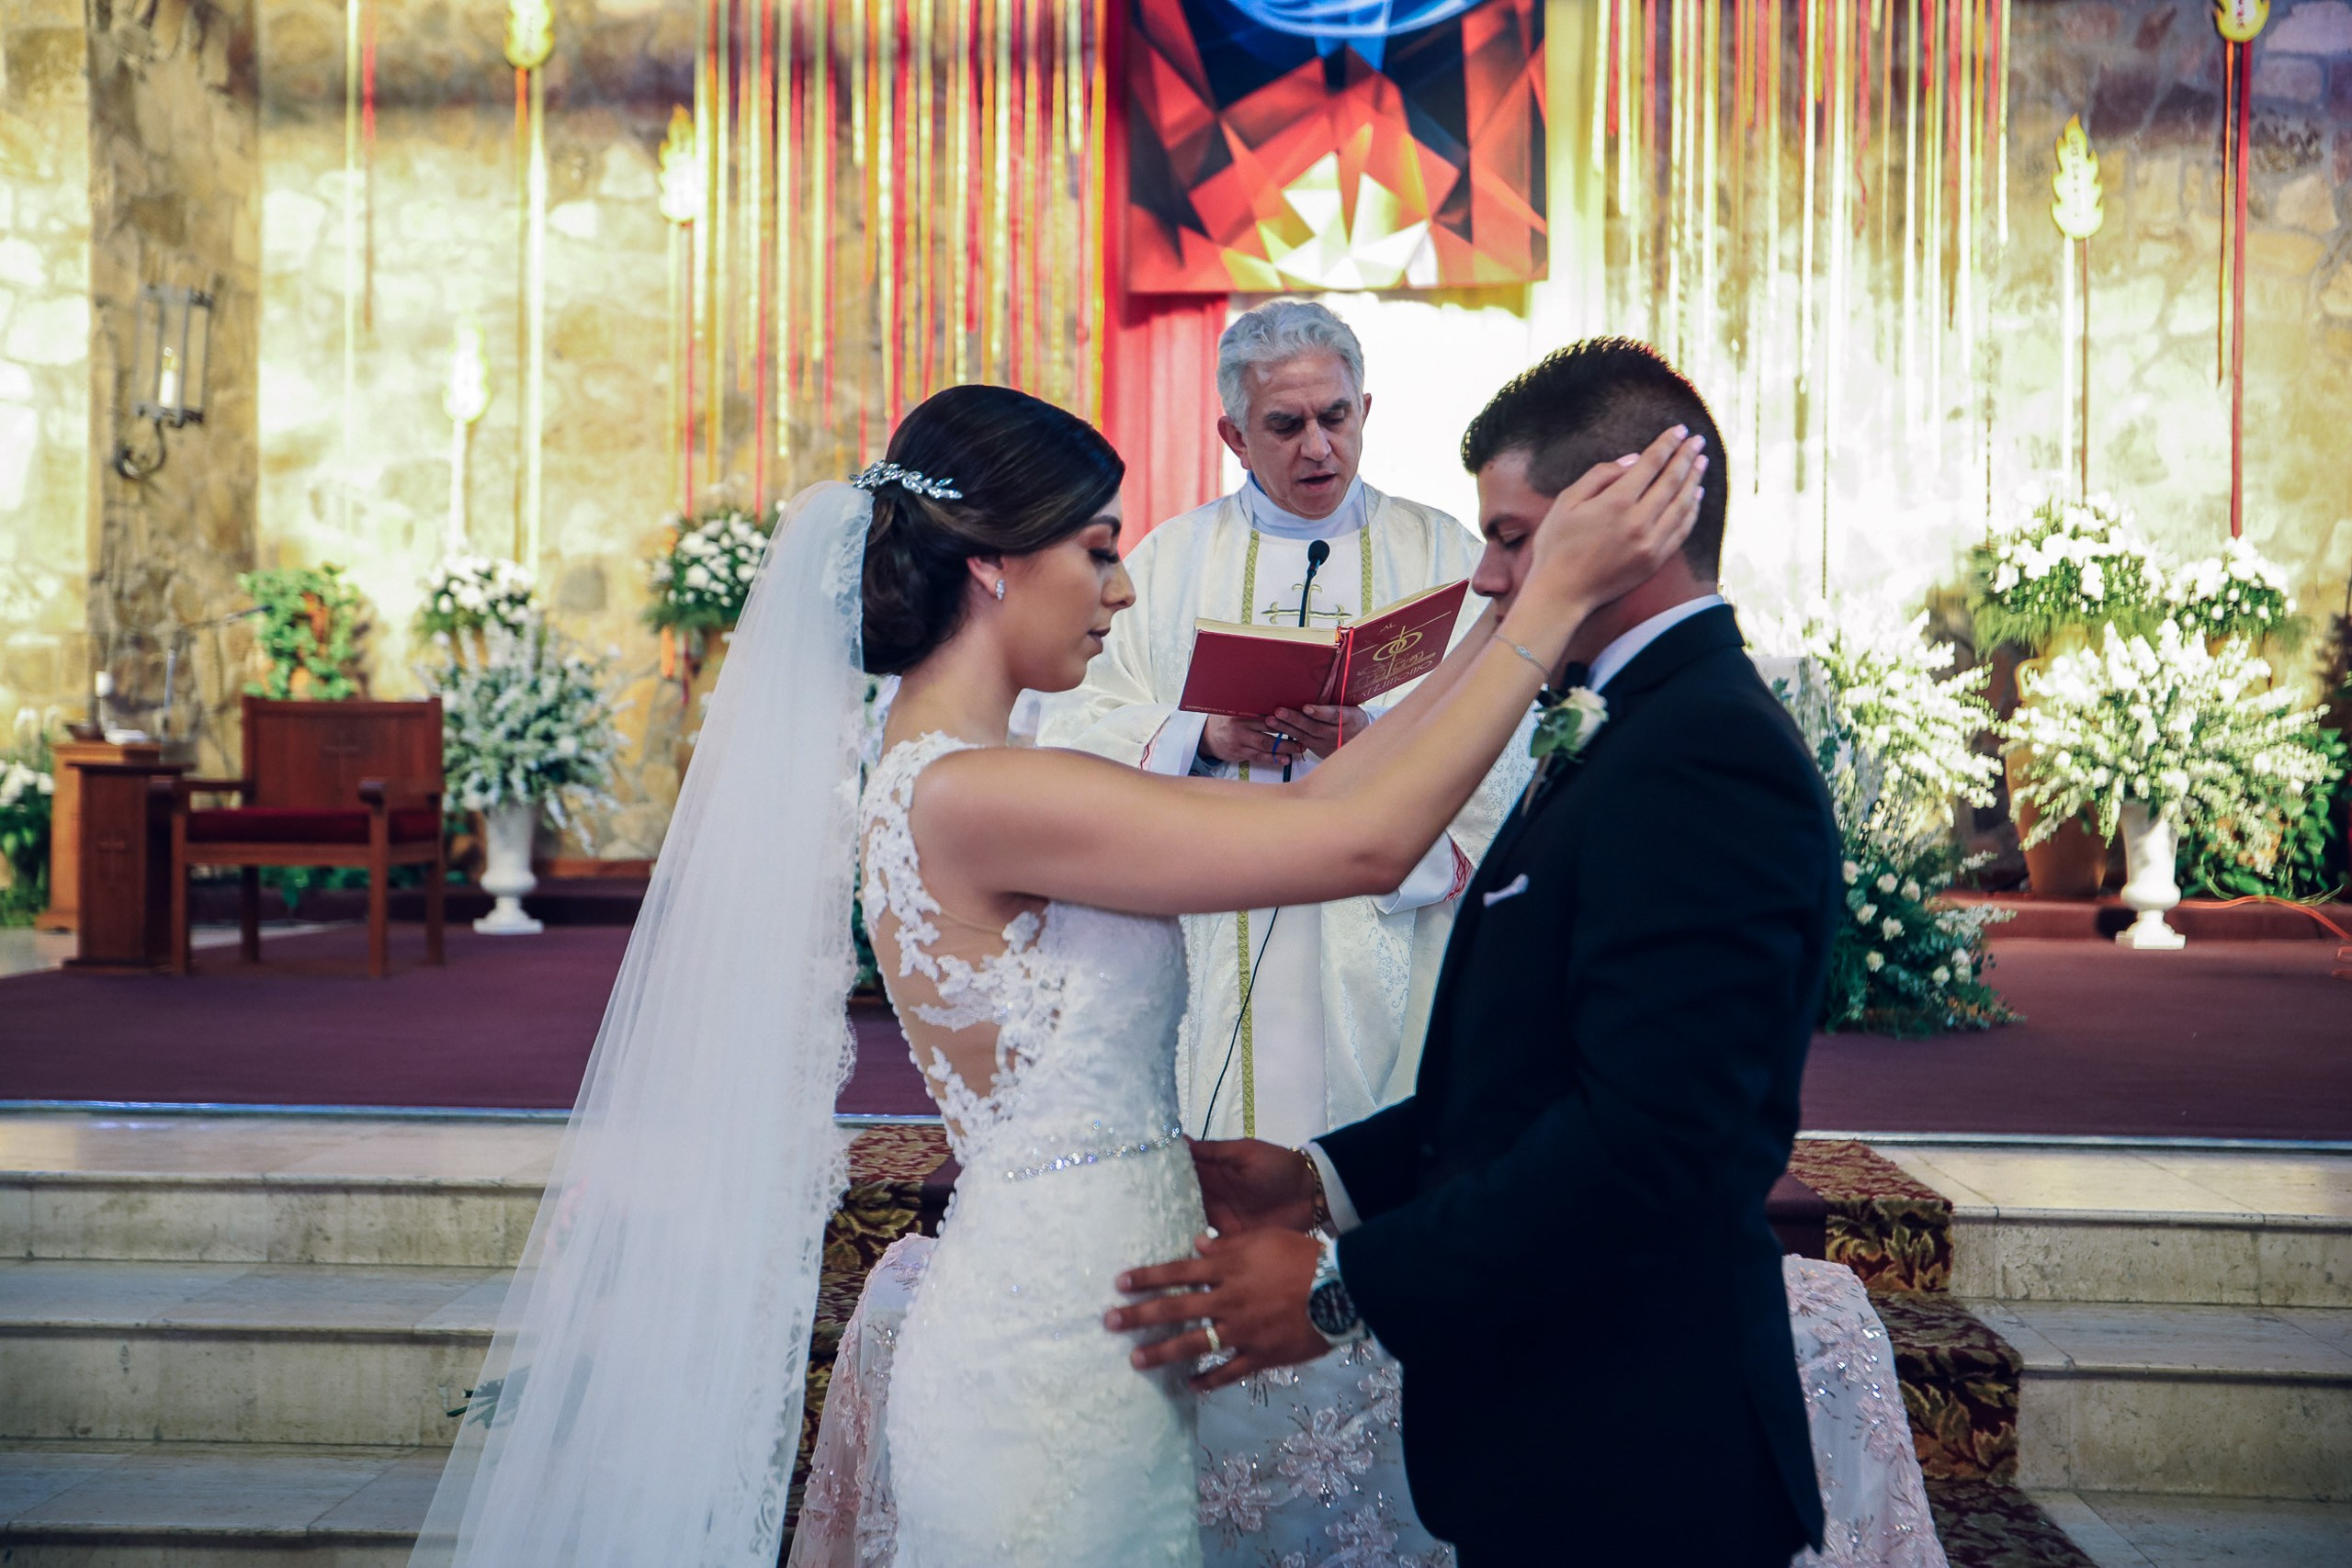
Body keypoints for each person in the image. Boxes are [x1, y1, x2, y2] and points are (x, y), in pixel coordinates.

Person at [413, 379, 1704, 1568]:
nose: (1122, 587)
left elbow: (1328, 795)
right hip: (1047, 1357)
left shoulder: (979, 773)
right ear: (992, 565)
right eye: (1097, 546)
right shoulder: (978, 792)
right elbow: (1358, 842)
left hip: (1096, 1317)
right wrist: (1547, 610)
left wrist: (1486, 621)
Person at [1109, 341, 1933, 1567]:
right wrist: (1323, 1176)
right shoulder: (1639, 722)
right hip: (1568, 1429)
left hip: (1638, 1448)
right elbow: (1542, 1072)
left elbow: (1648, 1142)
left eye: (1510, 537)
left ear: (1625, 515)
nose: (1489, 576)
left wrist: (1347, 1283)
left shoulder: (1709, 756)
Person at [1035, 299, 1531, 1149]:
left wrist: (1377, 740)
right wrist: (1201, 735)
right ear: (1234, 437)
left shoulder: (1445, 556)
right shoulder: (1170, 562)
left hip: (1386, 924)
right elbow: (1078, 722)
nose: (1317, 445)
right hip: (1214, 923)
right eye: (1286, 424)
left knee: (1375, 1156)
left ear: (1365, 410)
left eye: (1335, 416)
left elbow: (1506, 738)